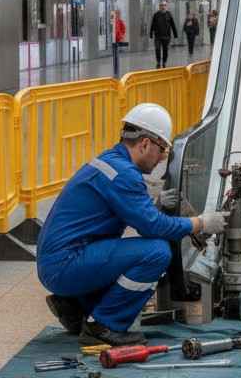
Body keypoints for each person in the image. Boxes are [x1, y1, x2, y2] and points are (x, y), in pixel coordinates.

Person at [37, 103, 228, 346]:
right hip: (65, 265)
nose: (161, 159)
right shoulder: (123, 174)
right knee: (156, 252)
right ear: (145, 143)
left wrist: (154, 205)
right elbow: (153, 228)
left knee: (128, 251)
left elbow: (124, 212)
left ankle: (76, 305)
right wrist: (200, 223)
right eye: (162, 150)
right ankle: (104, 326)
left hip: (58, 259)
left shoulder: (111, 161)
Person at [149, 0, 178, 68]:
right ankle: (158, 62)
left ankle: (164, 62)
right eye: (161, 5)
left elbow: (173, 25)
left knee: (165, 50)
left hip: (166, 36)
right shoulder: (156, 15)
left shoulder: (169, 14)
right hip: (158, 36)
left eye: (164, 5)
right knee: (157, 49)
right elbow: (152, 25)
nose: (163, 7)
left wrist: (175, 34)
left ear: (166, 6)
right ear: (159, 7)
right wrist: (151, 33)